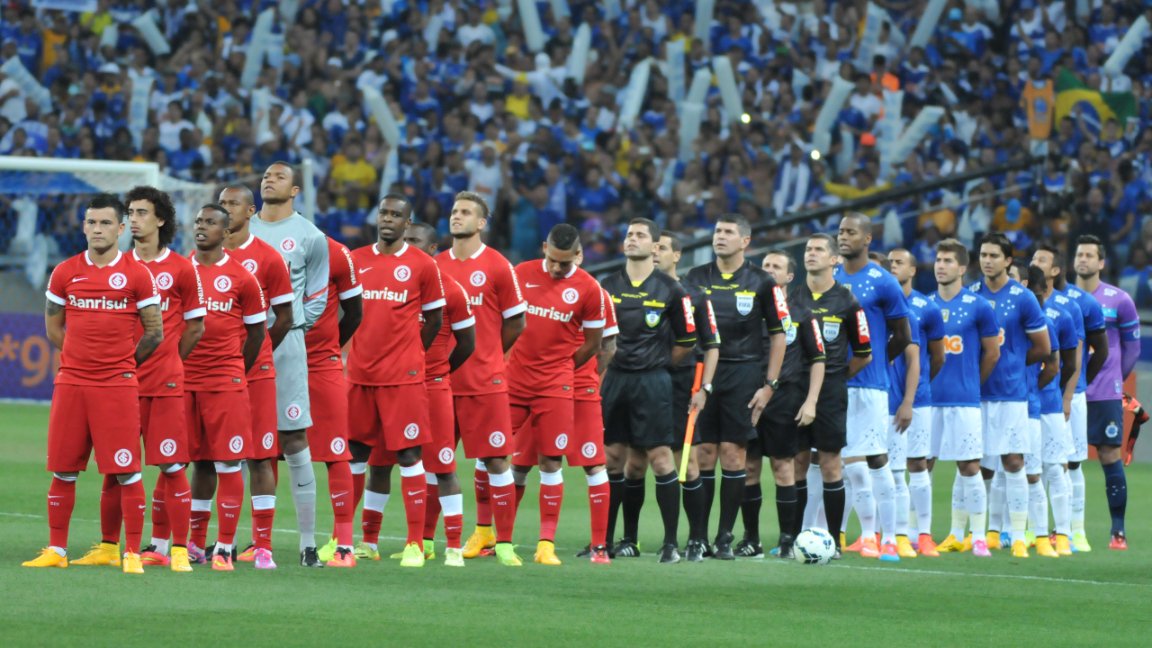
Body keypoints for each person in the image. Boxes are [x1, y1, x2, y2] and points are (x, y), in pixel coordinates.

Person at [23, 194, 163, 574]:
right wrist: (81, 359)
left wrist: (122, 365)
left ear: (120, 229)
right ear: (83, 226)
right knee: (63, 468)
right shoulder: (66, 271)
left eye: (105, 223)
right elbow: (53, 326)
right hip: (72, 382)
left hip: (117, 386)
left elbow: (155, 332)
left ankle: (132, 552)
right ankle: (56, 549)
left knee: (126, 469)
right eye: (91, 223)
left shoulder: (137, 274)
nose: (97, 229)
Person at [682, 215, 789, 560]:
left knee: (733, 454)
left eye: (728, 232)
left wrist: (770, 385)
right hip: (703, 373)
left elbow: (779, 334)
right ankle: (698, 536)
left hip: (743, 374)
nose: (720, 237)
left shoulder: (761, 281)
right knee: (702, 455)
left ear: (745, 241)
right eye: (717, 231)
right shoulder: (695, 277)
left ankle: (725, 536)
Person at [346, 194, 445, 568]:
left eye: (396, 215)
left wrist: (410, 355)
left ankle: (415, 544)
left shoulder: (422, 265)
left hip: (402, 378)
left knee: (409, 455)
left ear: (408, 223)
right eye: (384, 213)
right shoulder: (355, 260)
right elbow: (346, 312)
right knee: (356, 454)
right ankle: (350, 540)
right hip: (360, 375)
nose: (388, 219)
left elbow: (434, 321)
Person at [600, 218, 700, 564]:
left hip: (653, 382)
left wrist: (655, 362)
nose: (632, 239)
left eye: (640, 235)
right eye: (629, 234)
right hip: (615, 380)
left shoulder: (671, 290)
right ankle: (605, 542)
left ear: (656, 247)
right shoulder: (608, 285)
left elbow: (687, 340)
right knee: (612, 457)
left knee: (660, 458)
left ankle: (671, 543)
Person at [436, 191, 528, 567]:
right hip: (441, 382)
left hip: (484, 382)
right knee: (438, 464)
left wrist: (488, 352)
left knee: (496, 461)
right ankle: (424, 541)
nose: (457, 217)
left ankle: (503, 542)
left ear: (482, 223)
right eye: (455, 211)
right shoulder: (436, 265)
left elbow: (516, 321)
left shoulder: (498, 266)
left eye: (466, 213)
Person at [508, 223, 607, 565]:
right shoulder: (520, 274)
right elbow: (502, 320)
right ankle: (493, 536)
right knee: (494, 454)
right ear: (543, 248)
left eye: (563, 263)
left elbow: (596, 344)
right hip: (515, 382)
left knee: (551, 460)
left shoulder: (590, 290)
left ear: (578, 256)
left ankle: (545, 543)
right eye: (551, 259)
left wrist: (561, 366)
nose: (555, 268)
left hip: (555, 387)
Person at [248, 162, 332, 567]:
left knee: (294, 438)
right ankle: (250, 541)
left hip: (285, 343)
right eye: (266, 175)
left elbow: (317, 296)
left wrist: (290, 328)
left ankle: (306, 542)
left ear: (295, 189)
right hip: (240, 346)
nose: (269, 180)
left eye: (279, 176)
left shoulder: (310, 236)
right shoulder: (242, 231)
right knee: (245, 444)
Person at [181, 204, 268, 571]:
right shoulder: (178, 270)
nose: (202, 227)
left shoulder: (242, 276)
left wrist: (235, 369)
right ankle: (194, 543)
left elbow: (257, 332)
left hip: (225, 383)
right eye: (199, 221)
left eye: (211, 222)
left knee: (229, 463)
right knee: (197, 463)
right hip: (185, 382)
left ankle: (225, 547)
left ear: (226, 230)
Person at [216, 184, 295, 569]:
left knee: (261, 456)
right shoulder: (196, 261)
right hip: (210, 375)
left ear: (250, 212)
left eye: (233, 204)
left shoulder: (268, 258)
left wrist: (254, 355)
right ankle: (198, 542)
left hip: (255, 372)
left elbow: (285, 318)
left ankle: (262, 544)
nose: (226, 209)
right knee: (205, 458)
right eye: (222, 203)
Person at [126, 186, 204, 572]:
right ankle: (124, 547)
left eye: (142, 212)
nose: (133, 219)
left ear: (160, 219)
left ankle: (177, 548)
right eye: (130, 212)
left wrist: (171, 359)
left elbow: (195, 327)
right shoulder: (121, 268)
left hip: (167, 384)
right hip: (123, 384)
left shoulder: (181, 268)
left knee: (172, 466)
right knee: (122, 468)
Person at [786, 233, 872, 560]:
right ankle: (791, 537)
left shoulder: (848, 302)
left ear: (834, 260)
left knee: (830, 463)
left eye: (819, 249)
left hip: (831, 391)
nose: (811, 254)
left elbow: (864, 352)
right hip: (795, 388)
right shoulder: (793, 299)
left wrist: (835, 379)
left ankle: (833, 541)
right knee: (795, 463)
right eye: (808, 248)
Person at [834, 214, 912, 560]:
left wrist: (879, 359)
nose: (843, 237)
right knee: (839, 459)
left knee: (876, 458)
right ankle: (843, 533)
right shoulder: (830, 277)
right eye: (840, 231)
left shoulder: (884, 282)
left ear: (867, 238)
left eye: (850, 232)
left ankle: (885, 537)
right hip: (834, 382)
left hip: (869, 384)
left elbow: (903, 335)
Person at [971, 232, 1050, 558]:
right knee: (972, 465)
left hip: (1010, 394)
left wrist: (1015, 364)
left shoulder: (1023, 297)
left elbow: (1043, 348)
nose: (987, 260)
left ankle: (1018, 536)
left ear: (1007, 261)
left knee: (1013, 461)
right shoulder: (970, 295)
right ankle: (977, 535)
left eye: (993, 255)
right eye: (983, 255)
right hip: (974, 394)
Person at [402, 221, 476, 567]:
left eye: (414, 241)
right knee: (395, 464)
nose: (407, 246)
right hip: (398, 387)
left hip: (433, 387)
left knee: (444, 466)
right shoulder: (396, 285)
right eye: (404, 240)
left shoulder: (452, 289)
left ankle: (453, 546)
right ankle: (412, 543)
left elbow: (468, 343)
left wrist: (441, 371)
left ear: (433, 249)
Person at [749, 248, 827, 559]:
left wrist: (811, 401)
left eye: (776, 266)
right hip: (749, 395)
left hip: (785, 398)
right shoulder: (748, 310)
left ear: (789, 276)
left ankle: (787, 539)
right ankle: (750, 538)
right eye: (765, 265)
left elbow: (819, 359)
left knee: (783, 467)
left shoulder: (802, 313)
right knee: (748, 466)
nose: (769, 270)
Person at [1032, 242, 1108, 552]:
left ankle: (1075, 531)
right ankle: (1034, 529)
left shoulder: (1072, 305)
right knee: (1036, 463)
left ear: (1055, 269)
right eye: (1033, 257)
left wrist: (1070, 392)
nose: (1034, 261)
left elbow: (1078, 355)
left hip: (1067, 395)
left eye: (1042, 259)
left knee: (1070, 463)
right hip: (1034, 394)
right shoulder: (1027, 302)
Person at [929, 239, 1001, 558]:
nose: (940, 265)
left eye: (947, 261)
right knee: (919, 465)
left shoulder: (978, 306)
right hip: (927, 402)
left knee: (970, 466)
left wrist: (973, 382)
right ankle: (919, 534)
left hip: (964, 400)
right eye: (937, 260)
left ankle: (978, 536)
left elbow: (992, 353)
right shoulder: (924, 305)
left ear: (961, 269)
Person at [648, 230, 717, 561]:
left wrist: (705, 388)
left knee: (686, 462)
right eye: (654, 246)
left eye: (662, 247)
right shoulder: (637, 291)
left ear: (677, 255)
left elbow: (712, 344)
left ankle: (697, 539)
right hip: (645, 384)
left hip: (681, 384)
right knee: (639, 461)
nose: (656, 252)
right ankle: (656, 541)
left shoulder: (695, 296)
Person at [1073, 234, 1139, 550]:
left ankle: (1118, 531)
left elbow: (1132, 349)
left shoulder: (1119, 300)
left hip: (1104, 393)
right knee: (1059, 461)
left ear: (1101, 263)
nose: (1083, 259)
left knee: (1109, 455)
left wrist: (1114, 379)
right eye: (1079, 254)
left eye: (1089, 255)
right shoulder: (1061, 298)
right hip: (1065, 393)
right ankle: (1062, 529)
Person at [306, 234, 364, 568]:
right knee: (264, 451)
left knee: (336, 450)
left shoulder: (335, 252)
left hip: (321, 365)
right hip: (279, 362)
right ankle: (261, 543)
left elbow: (354, 312)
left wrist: (329, 347)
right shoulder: (262, 245)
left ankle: (344, 545)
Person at [886, 248, 945, 557]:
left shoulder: (927, 307)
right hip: (883, 399)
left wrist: (916, 390)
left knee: (917, 463)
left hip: (917, 400)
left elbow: (937, 357)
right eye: (890, 263)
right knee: (890, 467)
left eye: (899, 263)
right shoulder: (879, 304)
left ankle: (922, 534)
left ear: (912, 270)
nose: (893, 267)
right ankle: (894, 533)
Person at [1018, 263, 1074, 558]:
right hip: (1023, 406)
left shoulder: (1050, 320)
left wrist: (1038, 388)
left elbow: (1057, 365)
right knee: (1025, 470)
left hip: (1047, 406)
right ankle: (1024, 531)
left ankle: (1062, 535)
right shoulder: (1010, 319)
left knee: (1053, 468)